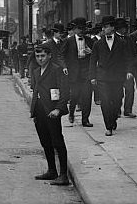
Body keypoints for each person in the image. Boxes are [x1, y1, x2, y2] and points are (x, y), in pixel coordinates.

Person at [30, 41, 70, 185]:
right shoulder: (35, 71)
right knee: (45, 142)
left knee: (57, 142)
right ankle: (52, 171)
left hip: (52, 111)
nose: (40, 59)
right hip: (39, 111)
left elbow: (65, 92)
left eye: (43, 56)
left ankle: (63, 175)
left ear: (49, 56)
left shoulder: (56, 70)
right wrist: (33, 111)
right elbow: (35, 90)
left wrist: (58, 109)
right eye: (37, 56)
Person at [89, 15, 133, 136]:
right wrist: (92, 76)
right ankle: (108, 126)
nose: (106, 29)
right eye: (104, 27)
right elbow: (93, 61)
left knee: (117, 99)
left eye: (108, 26)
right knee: (105, 101)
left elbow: (128, 58)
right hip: (103, 77)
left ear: (113, 28)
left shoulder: (122, 42)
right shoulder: (98, 44)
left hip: (118, 76)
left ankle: (113, 118)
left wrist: (129, 71)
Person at [62, 17, 93, 127]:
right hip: (74, 72)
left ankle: (85, 119)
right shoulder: (68, 41)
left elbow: (97, 56)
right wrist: (64, 67)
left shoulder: (90, 41)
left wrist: (91, 52)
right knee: (74, 95)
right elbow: (61, 56)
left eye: (83, 29)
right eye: (79, 29)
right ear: (74, 29)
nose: (81, 31)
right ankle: (71, 113)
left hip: (86, 71)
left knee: (87, 96)